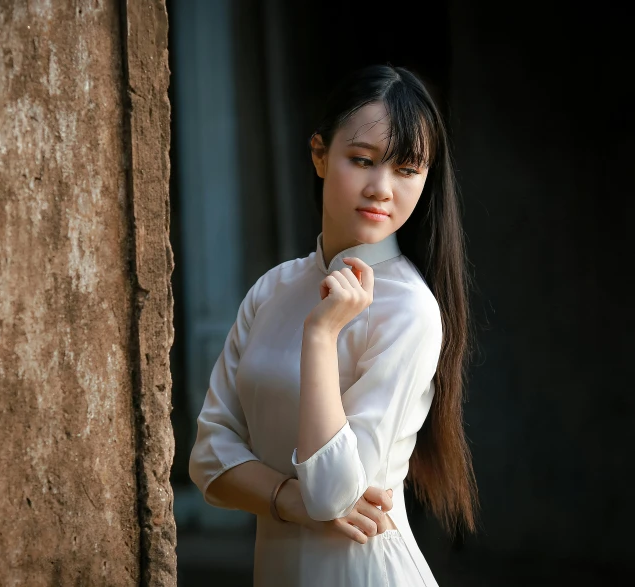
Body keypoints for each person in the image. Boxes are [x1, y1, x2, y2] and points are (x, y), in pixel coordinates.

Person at [188, 64, 478, 586]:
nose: (381, 188)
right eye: (362, 160)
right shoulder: (273, 290)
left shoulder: (408, 310)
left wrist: (321, 336)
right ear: (320, 154)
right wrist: (290, 500)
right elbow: (209, 459)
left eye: (407, 170)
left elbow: (334, 493)